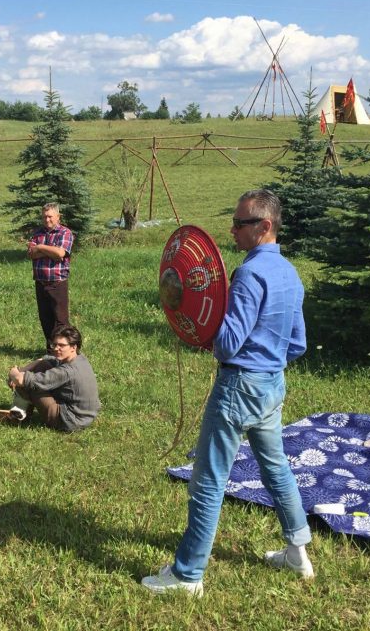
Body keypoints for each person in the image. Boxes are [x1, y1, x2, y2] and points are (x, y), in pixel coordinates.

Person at [142, 189, 311, 598]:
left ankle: (187, 575)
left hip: (239, 386)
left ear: (264, 227)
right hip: (272, 384)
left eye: (240, 224)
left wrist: (197, 319)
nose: (232, 230)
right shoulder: (289, 271)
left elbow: (227, 344)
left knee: (208, 480)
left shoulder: (250, 274)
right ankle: (297, 552)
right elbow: (298, 343)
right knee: (275, 468)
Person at [6, 325, 100, 432]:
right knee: (42, 365)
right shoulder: (80, 359)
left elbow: (21, 380)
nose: (56, 348)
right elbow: (46, 359)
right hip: (85, 417)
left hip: (69, 421)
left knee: (29, 385)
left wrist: (13, 372)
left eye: (61, 345)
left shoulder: (66, 371)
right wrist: (24, 369)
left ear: (73, 347)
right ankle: (21, 411)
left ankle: (17, 416)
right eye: (54, 344)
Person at [27, 203, 74, 348]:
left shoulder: (65, 233)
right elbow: (30, 254)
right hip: (41, 282)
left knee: (61, 320)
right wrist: (51, 252)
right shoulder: (38, 233)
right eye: (44, 217)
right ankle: (51, 350)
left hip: (57, 282)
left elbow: (60, 253)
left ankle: (66, 351)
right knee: (45, 318)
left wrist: (40, 247)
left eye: (50, 217)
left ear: (58, 217)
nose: (47, 220)